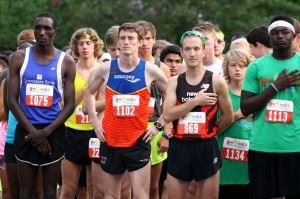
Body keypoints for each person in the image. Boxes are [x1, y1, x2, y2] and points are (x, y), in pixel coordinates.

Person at [85, 22, 168, 199]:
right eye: (122, 38)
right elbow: (89, 93)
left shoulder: (150, 70)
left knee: (140, 195)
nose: (126, 42)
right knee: (111, 196)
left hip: (138, 141)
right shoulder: (106, 69)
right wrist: (95, 122)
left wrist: (159, 125)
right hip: (110, 140)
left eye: (131, 38)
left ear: (139, 43)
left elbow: (171, 97)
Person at [8, 12, 76, 199]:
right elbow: (12, 101)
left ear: (55, 31)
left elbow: (70, 104)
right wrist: (33, 133)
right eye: (38, 28)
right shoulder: (19, 58)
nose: (42, 32)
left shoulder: (67, 62)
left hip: (53, 131)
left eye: (47, 28)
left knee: (48, 191)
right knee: (25, 192)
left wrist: (45, 133)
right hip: (26, 131)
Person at [163, 30, 233, 199]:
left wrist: (211, 133)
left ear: (204, 51)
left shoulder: (216, 81)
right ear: (182, 52)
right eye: (187, 49)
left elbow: (228, 116)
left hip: (206, 147)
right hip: (180, 146)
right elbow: (167, 115)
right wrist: (195, 101)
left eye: (196, 49)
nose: (192, 53)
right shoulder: (174, 82)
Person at [241, 15, 300, 199]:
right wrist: (275, 86)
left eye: (285, 32)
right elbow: (245, 107)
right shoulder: (256, 67)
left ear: (293, 36)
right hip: (262, 145)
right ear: (269, 37)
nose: (280, 36)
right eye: (275, 33)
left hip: (295, 146)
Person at [60, 28, 103, 199]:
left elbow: (108, 103)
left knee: (96, 189)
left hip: (95, 132)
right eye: (81, 43)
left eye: (89, 43)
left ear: (95, 46)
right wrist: (87, 89)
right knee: (68, 189)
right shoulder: (69, 70)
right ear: (75, 47)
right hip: (71, 131)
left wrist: (91, 103)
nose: (85, 47)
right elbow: (62, 105)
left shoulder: (103, 70)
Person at [218, 49, 252, 199]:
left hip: (250, 157)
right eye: (233, 65)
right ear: (226, 67)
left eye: (242, 65)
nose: (237, 69)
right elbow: (214, 129)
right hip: (224, 158)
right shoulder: (220, 93)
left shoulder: (255, 93)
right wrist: (238, 115)